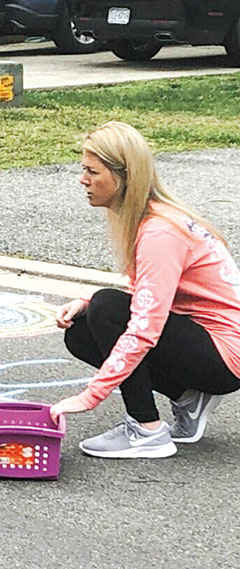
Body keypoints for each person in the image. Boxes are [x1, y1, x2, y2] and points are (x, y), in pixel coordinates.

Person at [50, 121, 240, 459]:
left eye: (92, 171)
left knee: (108, 308)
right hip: (207, 344)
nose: (83, 180)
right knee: (82, 329)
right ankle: (187, 397)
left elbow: (144, 326)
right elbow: (146, 291)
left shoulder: (160, 232)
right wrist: (85, 301)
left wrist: (91, 395)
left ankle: (146, 430)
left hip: (224, 355)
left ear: (124, 177)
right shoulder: (150, 219)